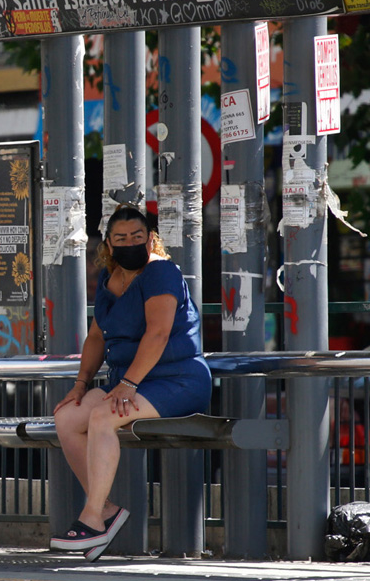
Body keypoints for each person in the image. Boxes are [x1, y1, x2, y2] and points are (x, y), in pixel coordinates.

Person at [50, 205, 212, 561]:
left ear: (151, 238)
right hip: (131, 382)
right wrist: (81, 383)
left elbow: (158, 333)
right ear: (108, 244)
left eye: (137, 237)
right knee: (68, 418)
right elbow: (96, 338)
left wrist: (127, 383)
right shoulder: (109, 281)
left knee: (103, 417)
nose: (129, 243)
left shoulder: (161, 272)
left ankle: (91, 520)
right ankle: (105, 508)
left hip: (177, 380)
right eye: (120, 238)